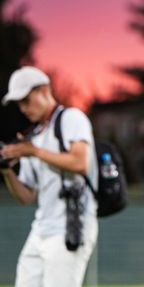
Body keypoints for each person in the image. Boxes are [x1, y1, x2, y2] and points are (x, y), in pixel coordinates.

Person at [0, 66, 98, 287]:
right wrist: (6, 171)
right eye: (19, 104)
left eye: (26, 100)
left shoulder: (71, 118)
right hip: (40, 229)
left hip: (71, 226)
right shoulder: (32, 137)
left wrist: (34, 152)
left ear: (44, 90)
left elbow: (80, 163)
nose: (23, 108)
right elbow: (26, 197)